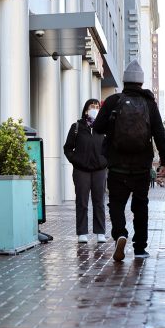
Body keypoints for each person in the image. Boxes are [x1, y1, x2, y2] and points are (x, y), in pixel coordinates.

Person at [96, 59, 165, 261]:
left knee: (116, 204)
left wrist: (112, 125)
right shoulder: (149, 103)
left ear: (125, 81)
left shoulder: (113, 101)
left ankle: (120, 233)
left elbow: (98, 128)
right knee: (141, 206)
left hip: (117, 165)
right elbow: (160, 134)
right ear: (141, 82)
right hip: (141, 166)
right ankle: (140, 247)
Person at [62, 98, 108, 244]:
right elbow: (67, 148)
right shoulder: (77, 126)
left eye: (97, 106)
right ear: (86, 110)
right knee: (82, 201)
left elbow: (112, 147)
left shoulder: (104, 127)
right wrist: (76, 160)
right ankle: (82, 232)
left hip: (99, 170)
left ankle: (100, 232)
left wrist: (105, 161)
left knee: (99, 201)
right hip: (81, 170)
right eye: (91, 106)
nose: (94, 108)